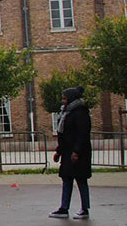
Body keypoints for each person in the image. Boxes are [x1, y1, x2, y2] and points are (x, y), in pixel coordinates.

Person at [50, 86, 92, 220]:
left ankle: (85, 209)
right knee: (67, 179)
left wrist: (77, 151)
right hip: (67, 151)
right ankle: (64, 208)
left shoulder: (80, 113)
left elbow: (82, 134)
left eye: (64, 98)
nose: (63, 101)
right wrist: (59, 152)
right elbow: (63, 135)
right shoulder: (66, 112)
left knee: (81, 179)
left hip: (78, 152)